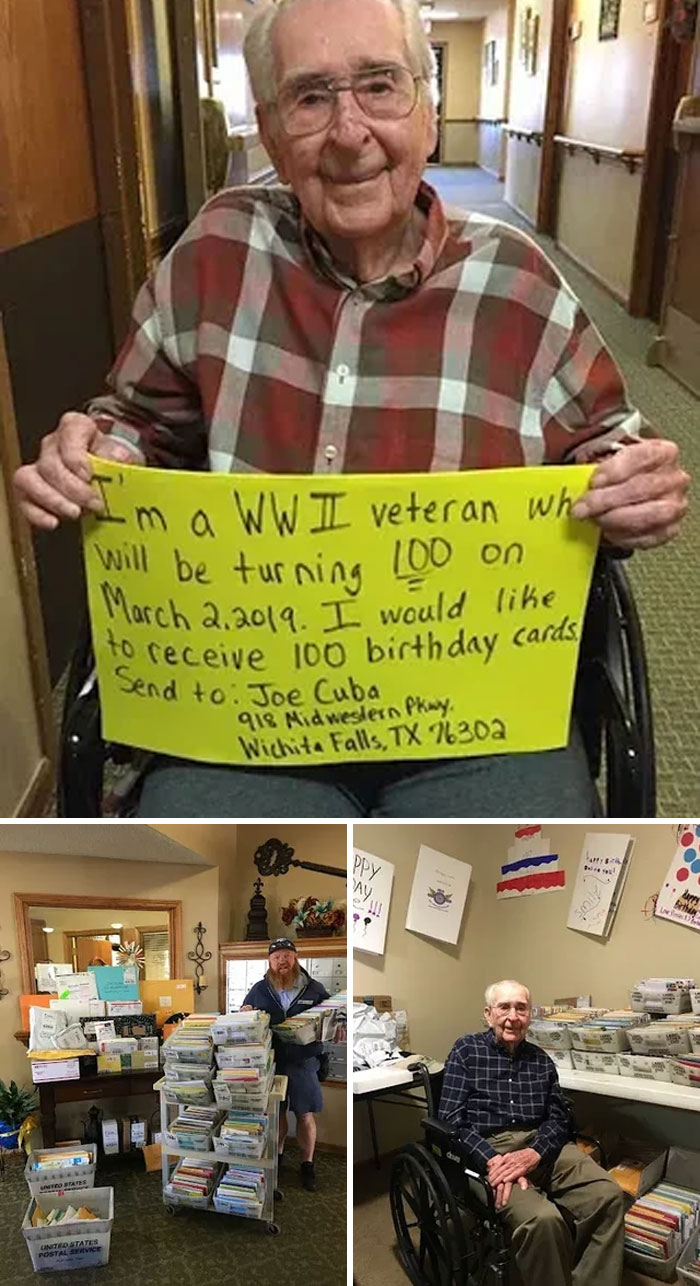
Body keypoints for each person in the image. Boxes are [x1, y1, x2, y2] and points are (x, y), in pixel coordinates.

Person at [13, 0, 689, 818]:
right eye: (310, 97)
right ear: (268, 131)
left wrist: (633, 486)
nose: (349, 131)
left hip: (474, 712)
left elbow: (608, 446)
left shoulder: (518, 282)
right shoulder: (217, 250)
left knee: (500, 919)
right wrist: (100, 455)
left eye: (380, 86)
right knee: (237, 918)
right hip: (244, 706)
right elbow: (141, 419)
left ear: (429, 112)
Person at [439, 979, 624, 1285]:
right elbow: (451, 1118)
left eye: (521, 1008)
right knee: (542, 1221)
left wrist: (535, 1152)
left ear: (529, 1015)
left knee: (609, 1196)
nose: (513, 1016)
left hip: (542, 1147)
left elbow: (558, 1117)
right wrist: (492, 1160)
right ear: (488, 1014)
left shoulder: (541, 1061)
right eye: (504, 1007)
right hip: (488, 1149)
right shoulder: (466, 1051)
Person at [241, 937, 329, 1191]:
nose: (282, 960)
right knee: (276, 1112)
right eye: (277, 956)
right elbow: (246, 1016)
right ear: (269, 961)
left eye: (287, 955)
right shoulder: (259, 988)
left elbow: (333, 1018)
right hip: (272, 1061)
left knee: (305, 1114)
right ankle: (277, 1156)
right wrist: (246, 1011)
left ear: (295, 958)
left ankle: (307, 1164)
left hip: (304, 1061)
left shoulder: (314, 988)